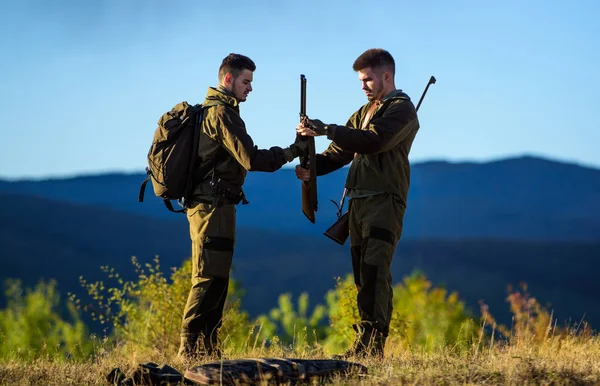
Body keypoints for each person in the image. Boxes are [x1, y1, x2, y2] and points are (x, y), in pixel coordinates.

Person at [178, 53, 307, 360]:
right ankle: (188, 348)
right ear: (228, 79)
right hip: (210, 208)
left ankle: (208, 348)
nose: (250, 88)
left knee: (217, 277)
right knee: (208, 277)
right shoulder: (221, 113)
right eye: (246, 81)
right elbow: (251, 159)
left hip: (218, 206)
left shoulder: (219, 112)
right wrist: (291, 151)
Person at [295, 48, 419, 358]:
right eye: (360, 81)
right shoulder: (362, 113)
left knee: (376, 271)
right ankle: (363, 345)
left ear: (386, 76)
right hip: (359, 202)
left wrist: (327, 129)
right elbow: (339, 153)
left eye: (367, 79)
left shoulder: (402, 109)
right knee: (362, 275)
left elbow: (373, 141)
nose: (363, 86)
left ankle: (372, 347)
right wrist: (311, 166)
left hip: (385, 201)